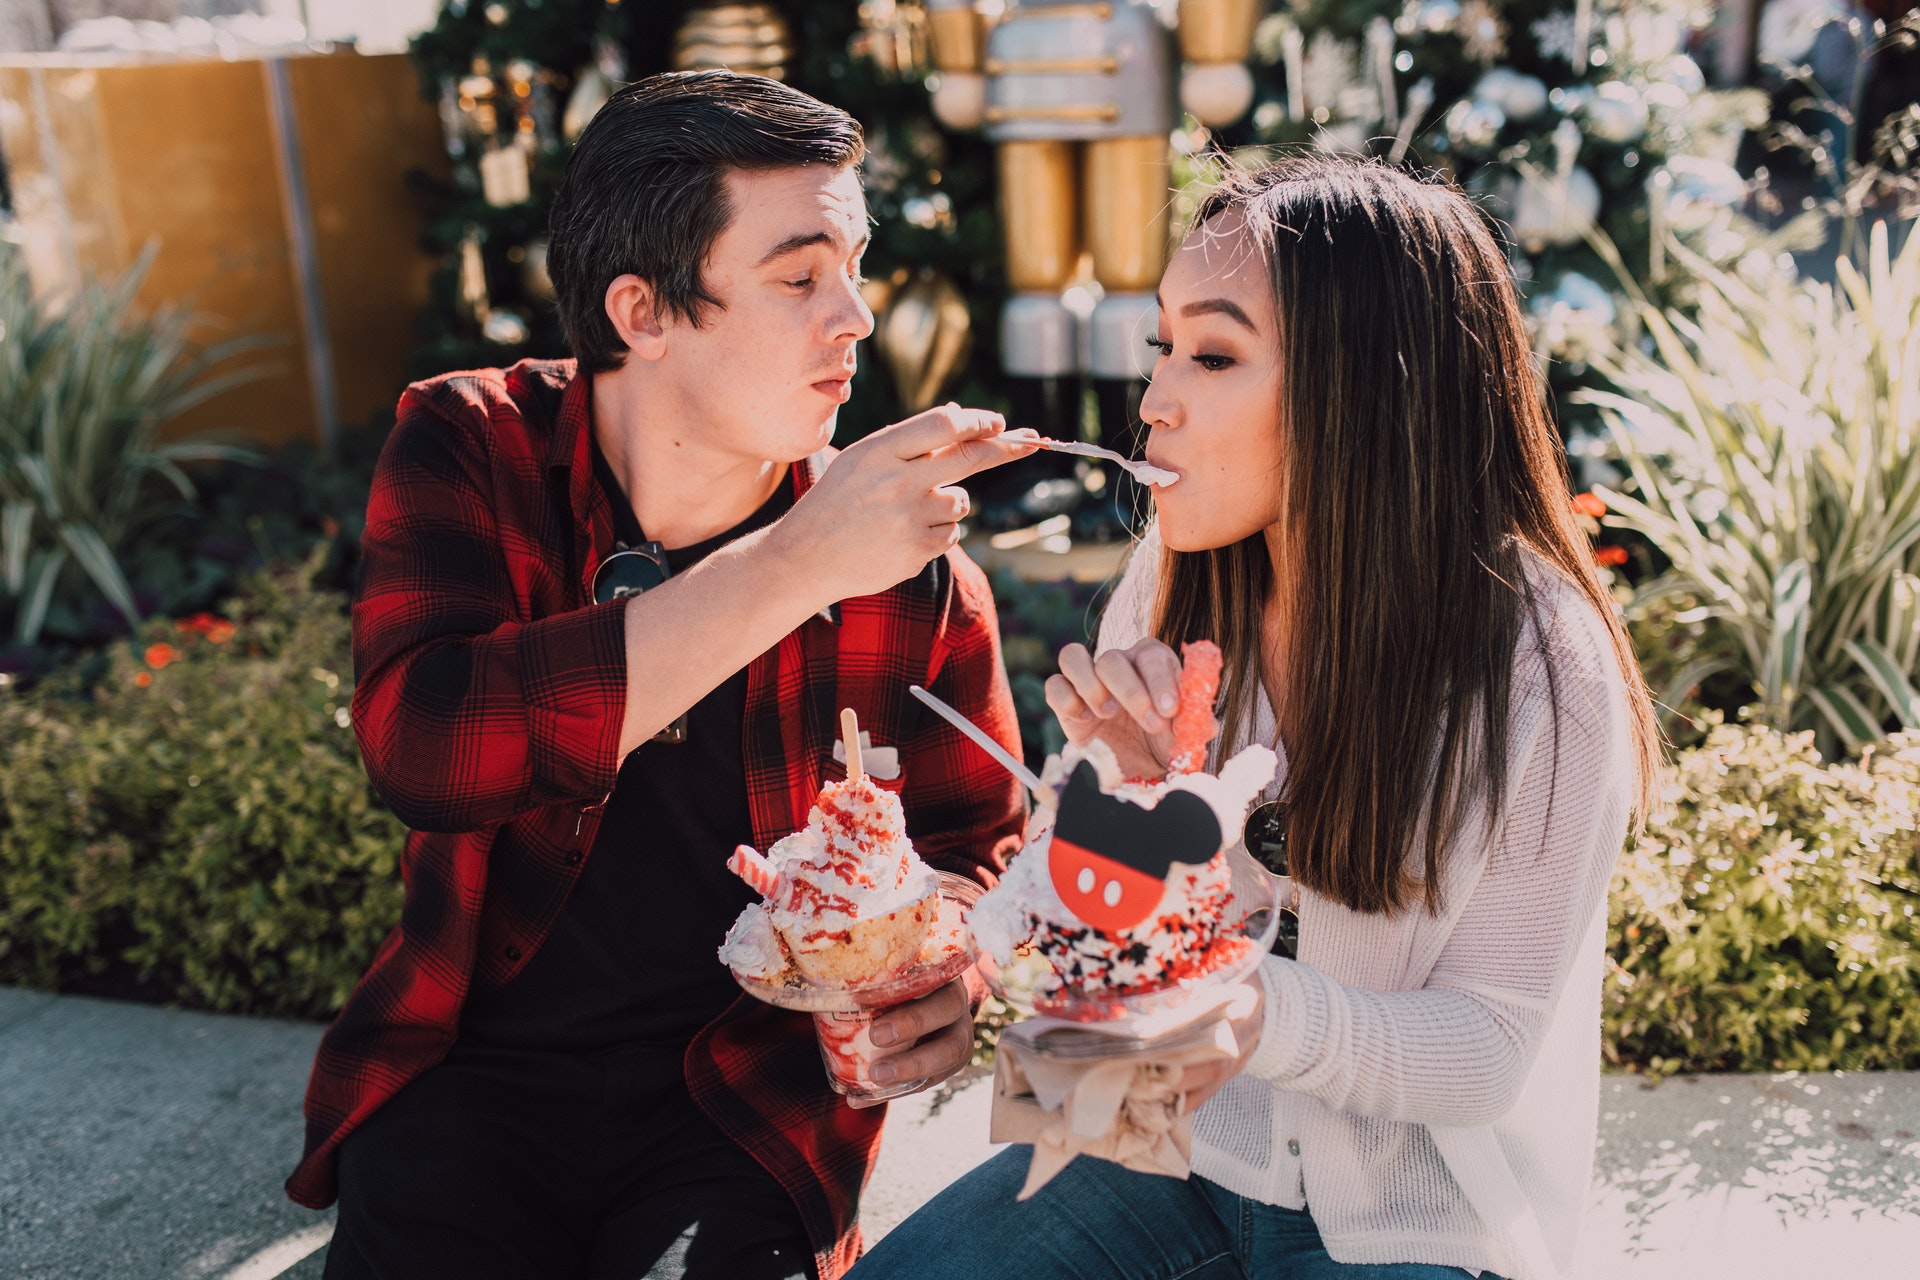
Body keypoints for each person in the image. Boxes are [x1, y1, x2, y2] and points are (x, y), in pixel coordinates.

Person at [286, 71, 1038, 1280]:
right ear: (641, 310)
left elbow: (979, 843)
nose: (855, 315)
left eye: (855, 266)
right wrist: (794, 563)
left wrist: (949, 968)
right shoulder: (475, 444)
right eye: (799, 278)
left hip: (750, 1102)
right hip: (471, 1074)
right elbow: (424, 743)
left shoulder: (913, 576)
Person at [851, 157, 1661, 1280]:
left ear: (1363, 388)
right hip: (1142, 1129)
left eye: (1215, 355)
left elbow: (1486, 1050)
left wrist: (1248, 1008)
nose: (1153, 401)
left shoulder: (1541, 661)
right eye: (1163, 346)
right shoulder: (1172, 578)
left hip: (1405, 1213)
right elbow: (1080, 941)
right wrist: (1120, 801)